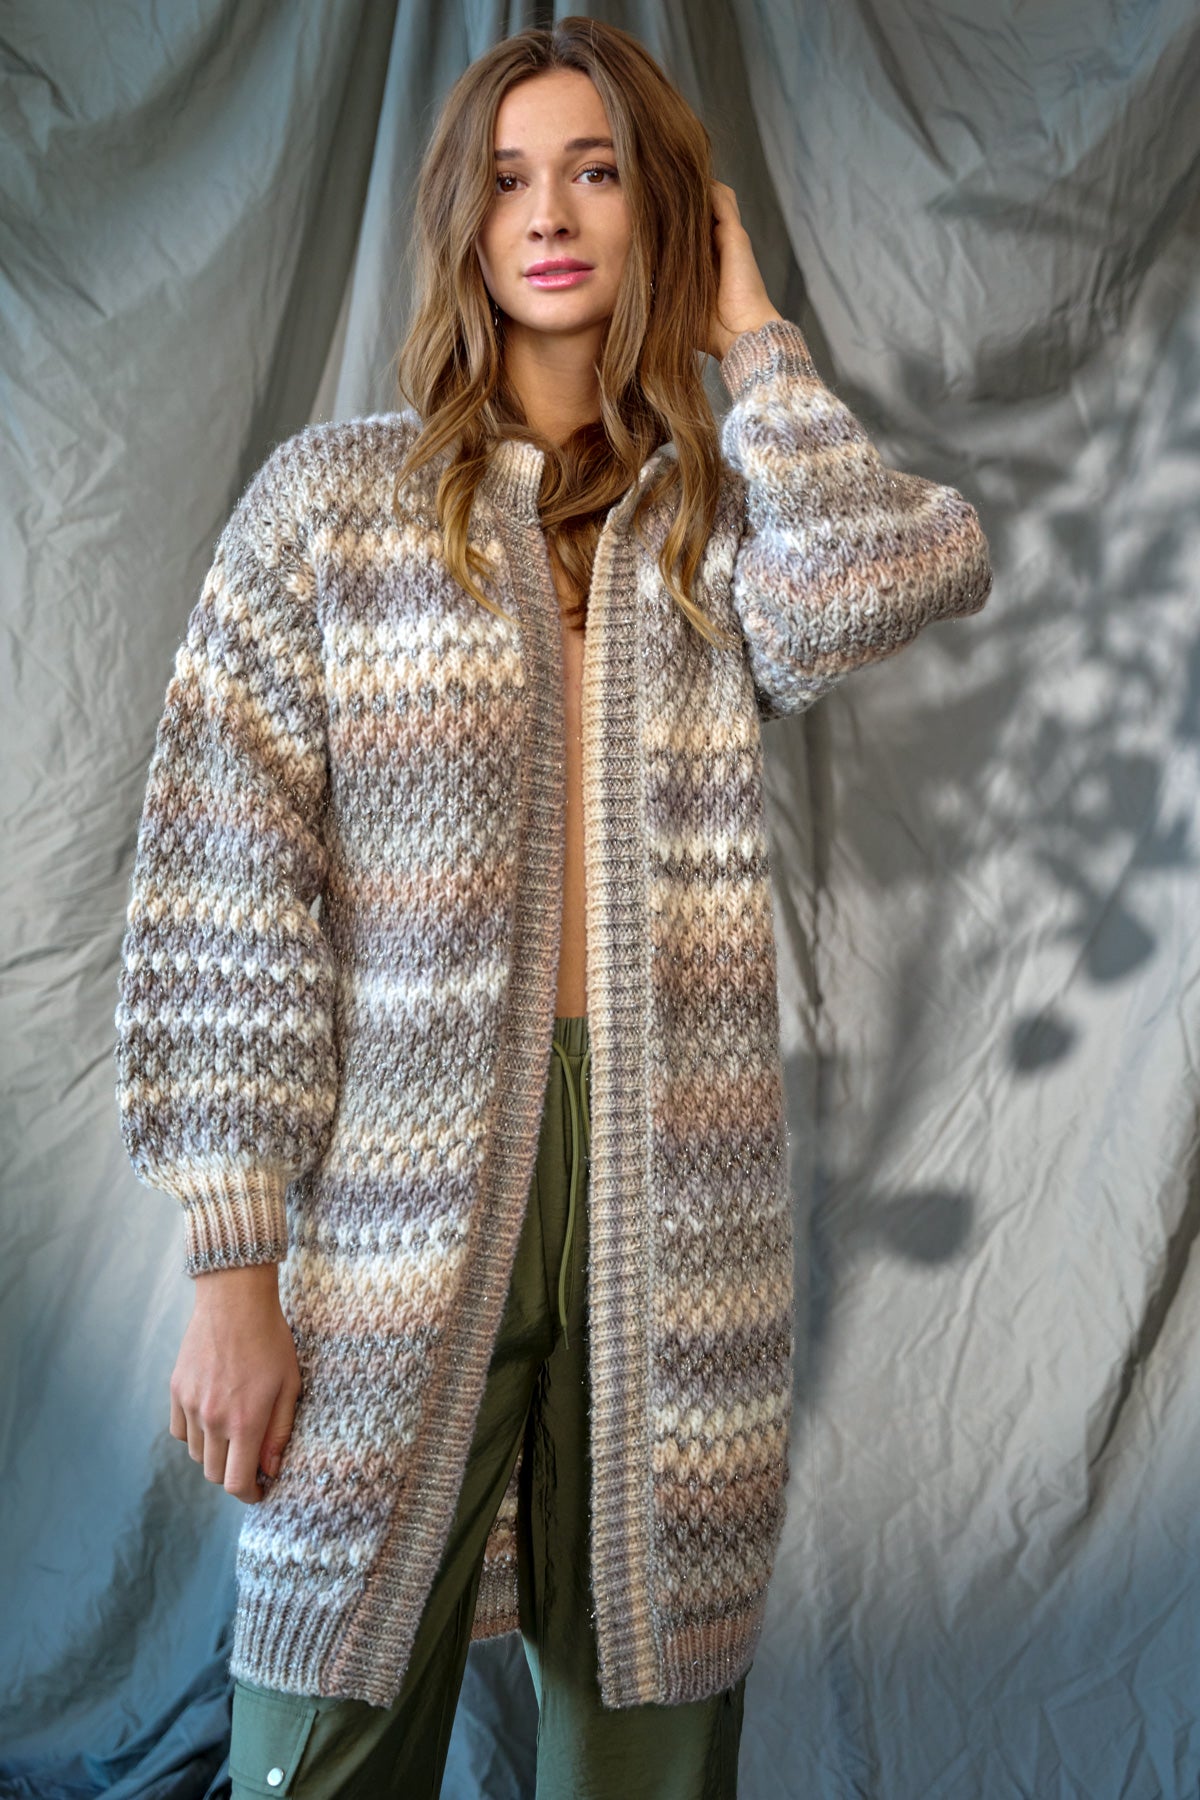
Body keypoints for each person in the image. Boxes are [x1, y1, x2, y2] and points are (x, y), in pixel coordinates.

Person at [114, 16, 992, 1799]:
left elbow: (894, 569)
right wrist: (232, 1265)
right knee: (323, 1715)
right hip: (401, 1192)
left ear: (659, 206)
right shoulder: (334, 511)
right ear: (461, 216)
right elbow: (224, 885)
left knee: (648, 1719)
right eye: (510, 177)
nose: (550, 213)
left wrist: (752, 331)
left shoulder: (714, 524)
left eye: (597, 171)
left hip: (680, 1191)